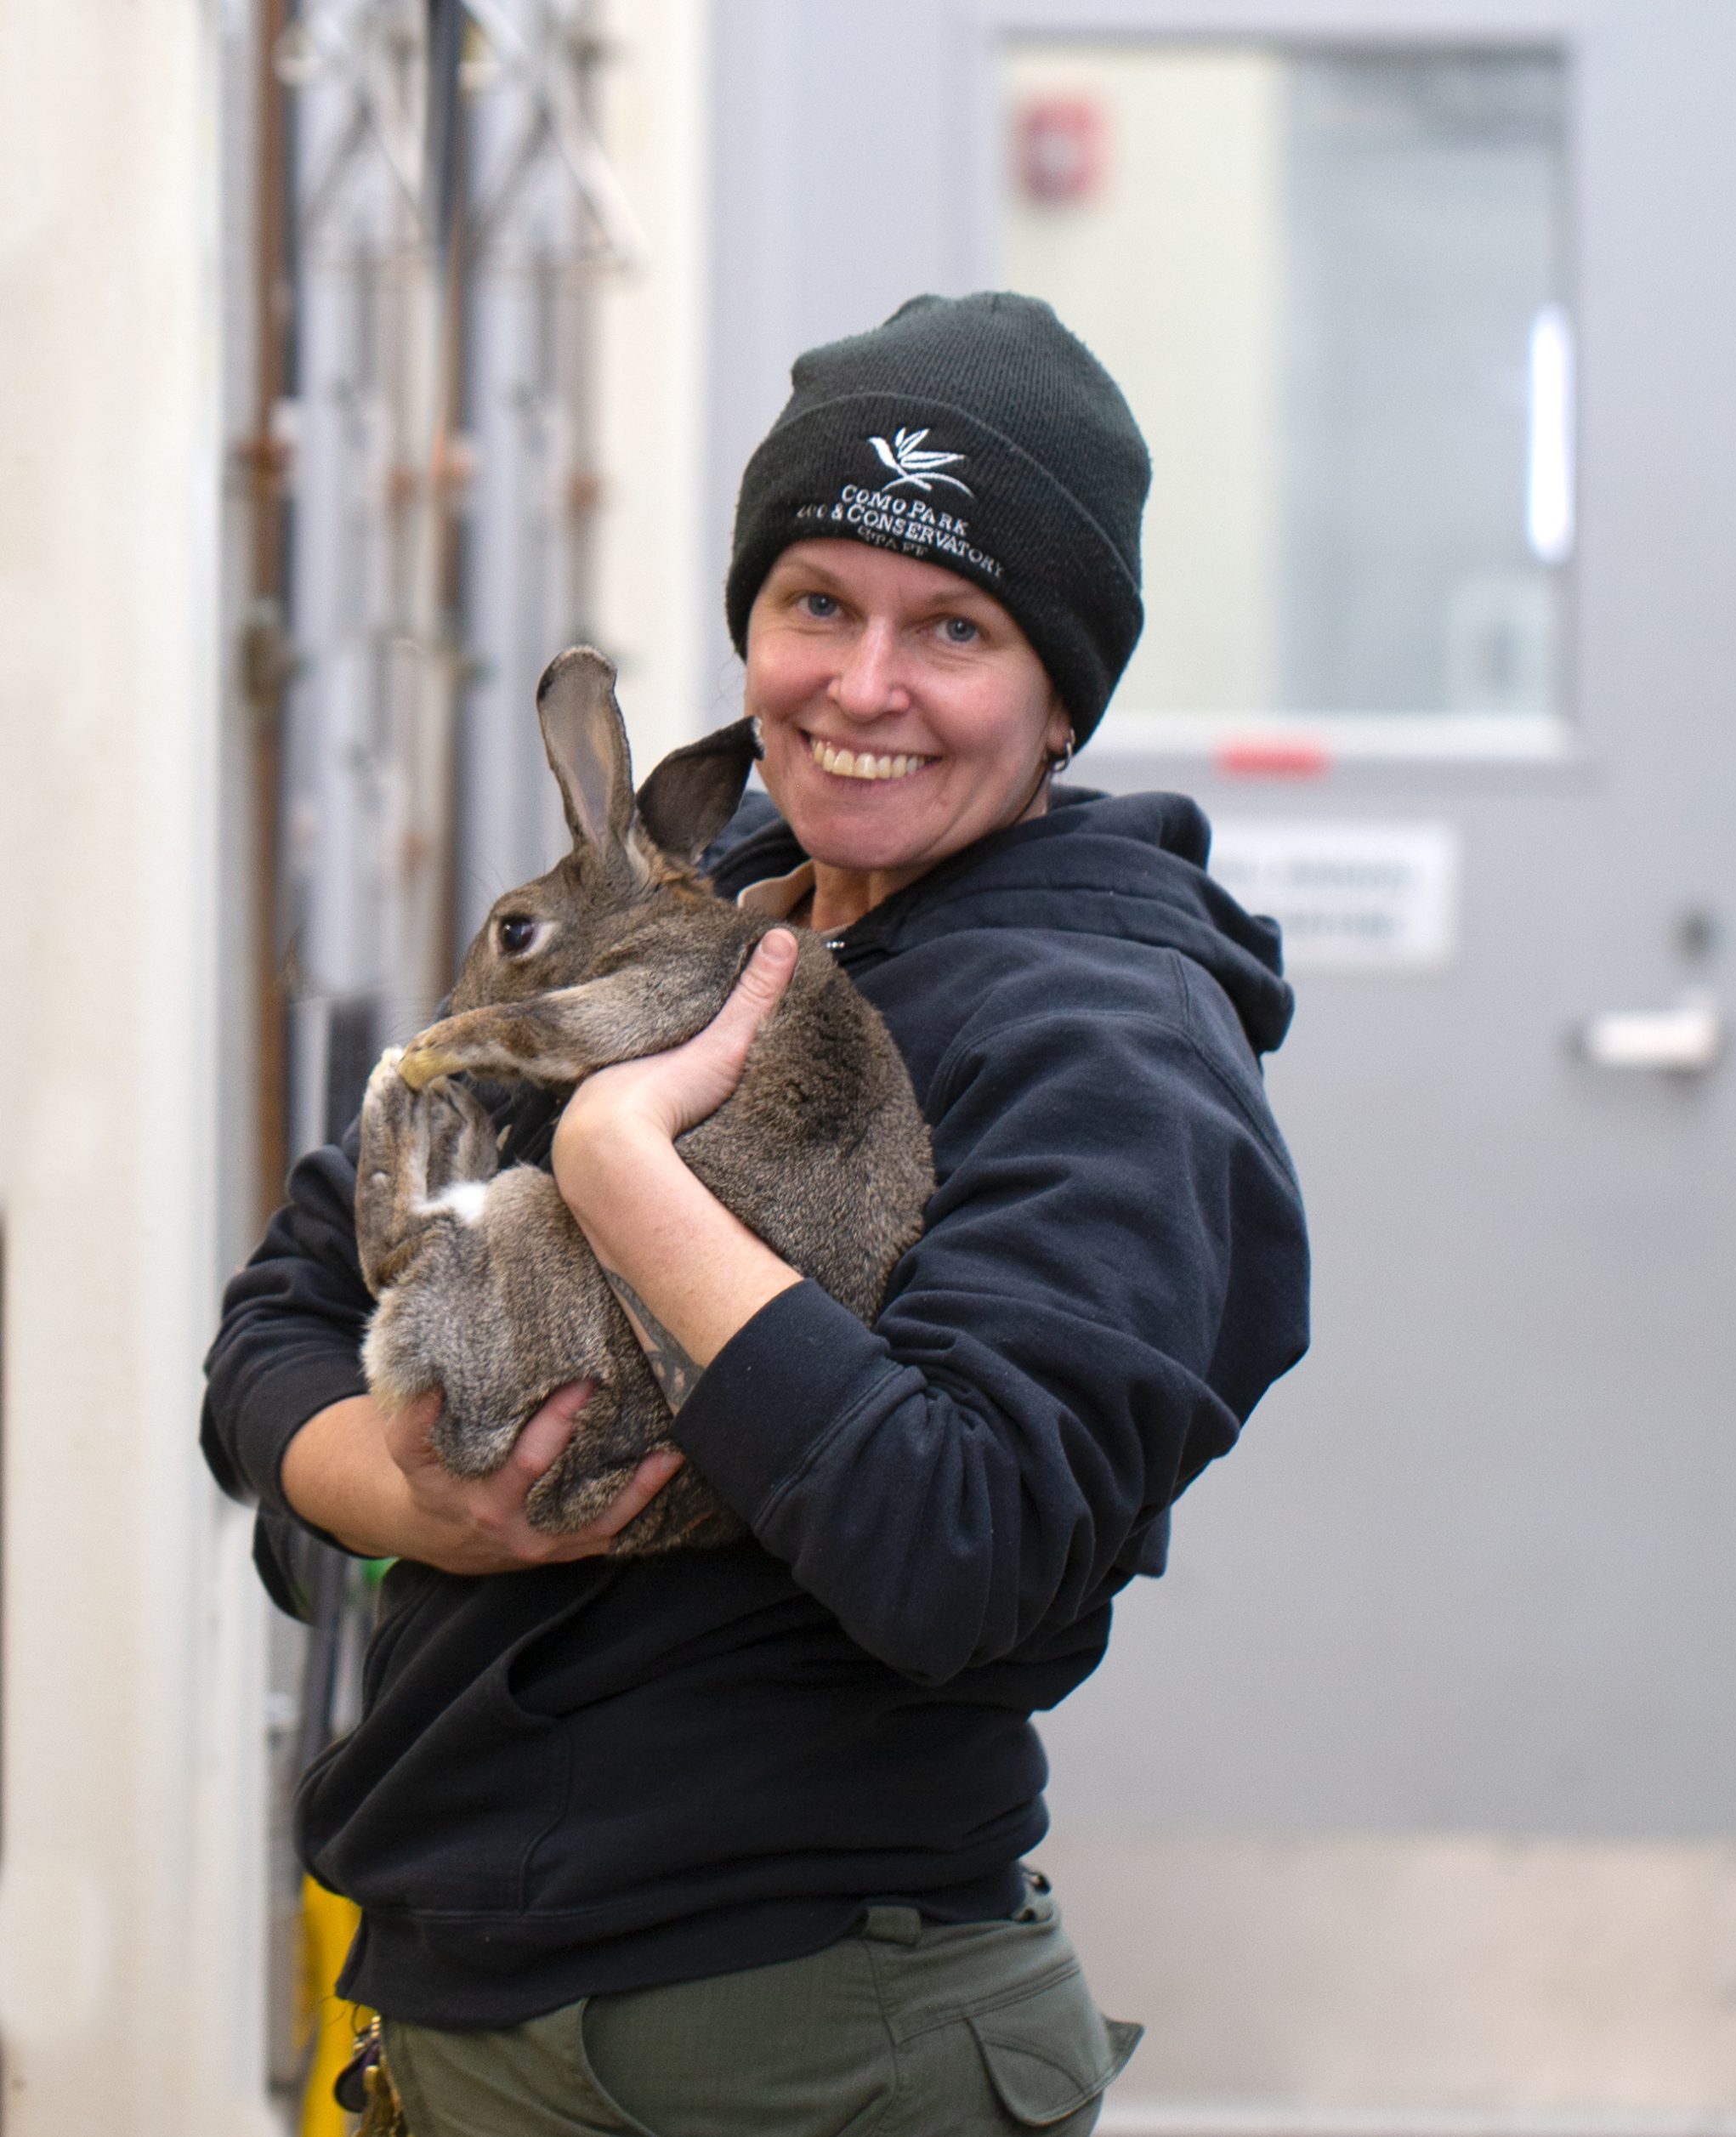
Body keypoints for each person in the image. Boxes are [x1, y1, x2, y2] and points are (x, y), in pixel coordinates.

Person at [203, 291, 1309, 2137]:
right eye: (815, 604)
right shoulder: (675, 918)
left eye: (952, 629)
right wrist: (414, 1500)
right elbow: (286, 1311)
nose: (862, 687)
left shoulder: (1113, 1042)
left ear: (1061, 697)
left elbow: (963, 1545)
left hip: (807, 2040)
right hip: (467, 2003)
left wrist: (624, 1178)